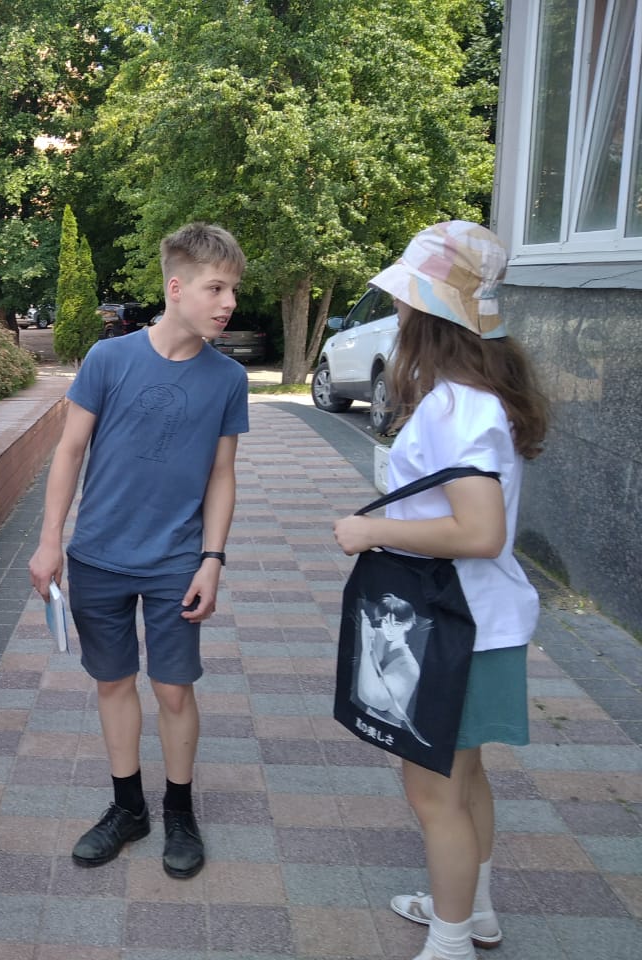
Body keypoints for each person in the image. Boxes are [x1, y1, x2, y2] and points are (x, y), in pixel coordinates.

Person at [333, 221, 549, 960]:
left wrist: (369, 530)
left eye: (407, 298)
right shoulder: (482, 398)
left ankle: (450, 941)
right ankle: (471, 912)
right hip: (482, 623)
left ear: (431, 313)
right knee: (465, 780)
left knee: (434, 794)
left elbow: (479, 531)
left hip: (454, 626)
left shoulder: (457, 406)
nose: (398, 310)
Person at [28, 222, 249, 879]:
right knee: (114, 682)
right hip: (98, 555)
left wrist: (212, 560)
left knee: (174, 690)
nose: (229, 302)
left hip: (176, 562)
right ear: (176, 287)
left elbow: (222, 474)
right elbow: (69, 451)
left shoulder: (227, 379)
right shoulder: (108, 360)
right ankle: (129, 808)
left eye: (233, 290)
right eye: (216, 288)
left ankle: (179, 810)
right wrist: (50, 541)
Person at [354, 593, 429, 741]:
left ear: (408, 625)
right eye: (385, 622)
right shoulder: (381, 638)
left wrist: (366, 648)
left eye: (396, 624)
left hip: (386, 728)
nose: (388, 629)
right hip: (368, 721)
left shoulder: (408, 667)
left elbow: (374, 697)